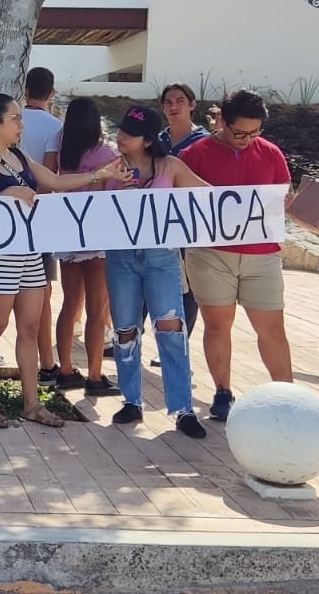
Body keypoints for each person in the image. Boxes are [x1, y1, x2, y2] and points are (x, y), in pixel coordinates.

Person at [0, 94, 126, 430]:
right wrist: (2, 197)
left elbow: (54, 181)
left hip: (30, 253)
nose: (22, 124)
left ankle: (31, 403)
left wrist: (98, 174)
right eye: (15, 119)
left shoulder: (18, 156)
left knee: (32, 328)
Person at [178, 90, 295, 421]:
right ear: (222, 122)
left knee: (272, 328)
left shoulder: (271, 153)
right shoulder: (195, 153)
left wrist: (285, 203)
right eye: (240, 132)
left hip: (262, 254)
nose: (247, 140)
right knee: (218, 325)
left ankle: (287, 395)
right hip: (211, 253)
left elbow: (284, 195)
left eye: (255, 133)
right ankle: (223, 391)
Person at [104, 106, 211, 438]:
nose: (121, 136)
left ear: (148, 141)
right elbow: (92, 210)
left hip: (161, 257)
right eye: (120, 130)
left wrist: (260, 201)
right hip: (120, 256)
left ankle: (182, 408)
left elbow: (209, 195)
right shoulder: (109, 169)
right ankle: (131, 401)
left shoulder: (171, 167)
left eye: (130, 133)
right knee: (124, 329)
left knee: (171, 328)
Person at [50, 97, 121, 396]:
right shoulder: (107, 154)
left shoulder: (60, 149)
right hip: (99, 235)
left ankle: (64, 369)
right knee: (97, 307)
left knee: (69, 304)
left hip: (67, 233)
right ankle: (95, 375)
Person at [153, 83, 210, 342]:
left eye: (180, 101)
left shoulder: (205, 141)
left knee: (187, 284)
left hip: (190, 223)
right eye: (168, 102)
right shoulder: (157, 140)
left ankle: (180, 342)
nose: (174, 106)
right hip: (156, 223)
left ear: (192, 104)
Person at [18, 68, 63, 378]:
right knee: (41, 293)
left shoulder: (10, 119)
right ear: (52, 92)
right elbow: (50, 176)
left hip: (5, 212)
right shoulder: (55, 126)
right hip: (39, 217)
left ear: (24, 89)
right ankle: (46, 361)